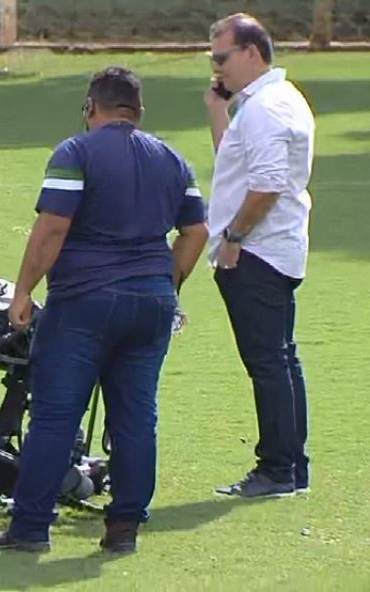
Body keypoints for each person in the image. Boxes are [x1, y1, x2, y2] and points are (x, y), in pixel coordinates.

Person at [0, 66, 208, 554]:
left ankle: (30, 527)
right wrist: (166, 284)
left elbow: (53, 228)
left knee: (55, 415)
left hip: (84, 302)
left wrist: (23, 291)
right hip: (151, 304)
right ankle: (124, 528)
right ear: (139, 111)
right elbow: (196, 232)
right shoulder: (174, 160)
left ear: (90, 107)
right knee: (136, 417)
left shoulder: (76, 152)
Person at [205, 13, 315, 498]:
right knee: (281, 359)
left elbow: (267, 184)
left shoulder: (267, 108)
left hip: (257, 252)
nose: (216, 69)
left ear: (252, 52)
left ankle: (276, 470)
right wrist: (218, 110)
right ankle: (292, 466)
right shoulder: (273, 100)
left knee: (267, 363)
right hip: (275, 248)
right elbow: (235, 164)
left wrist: (233, 237)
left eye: (222, 58)